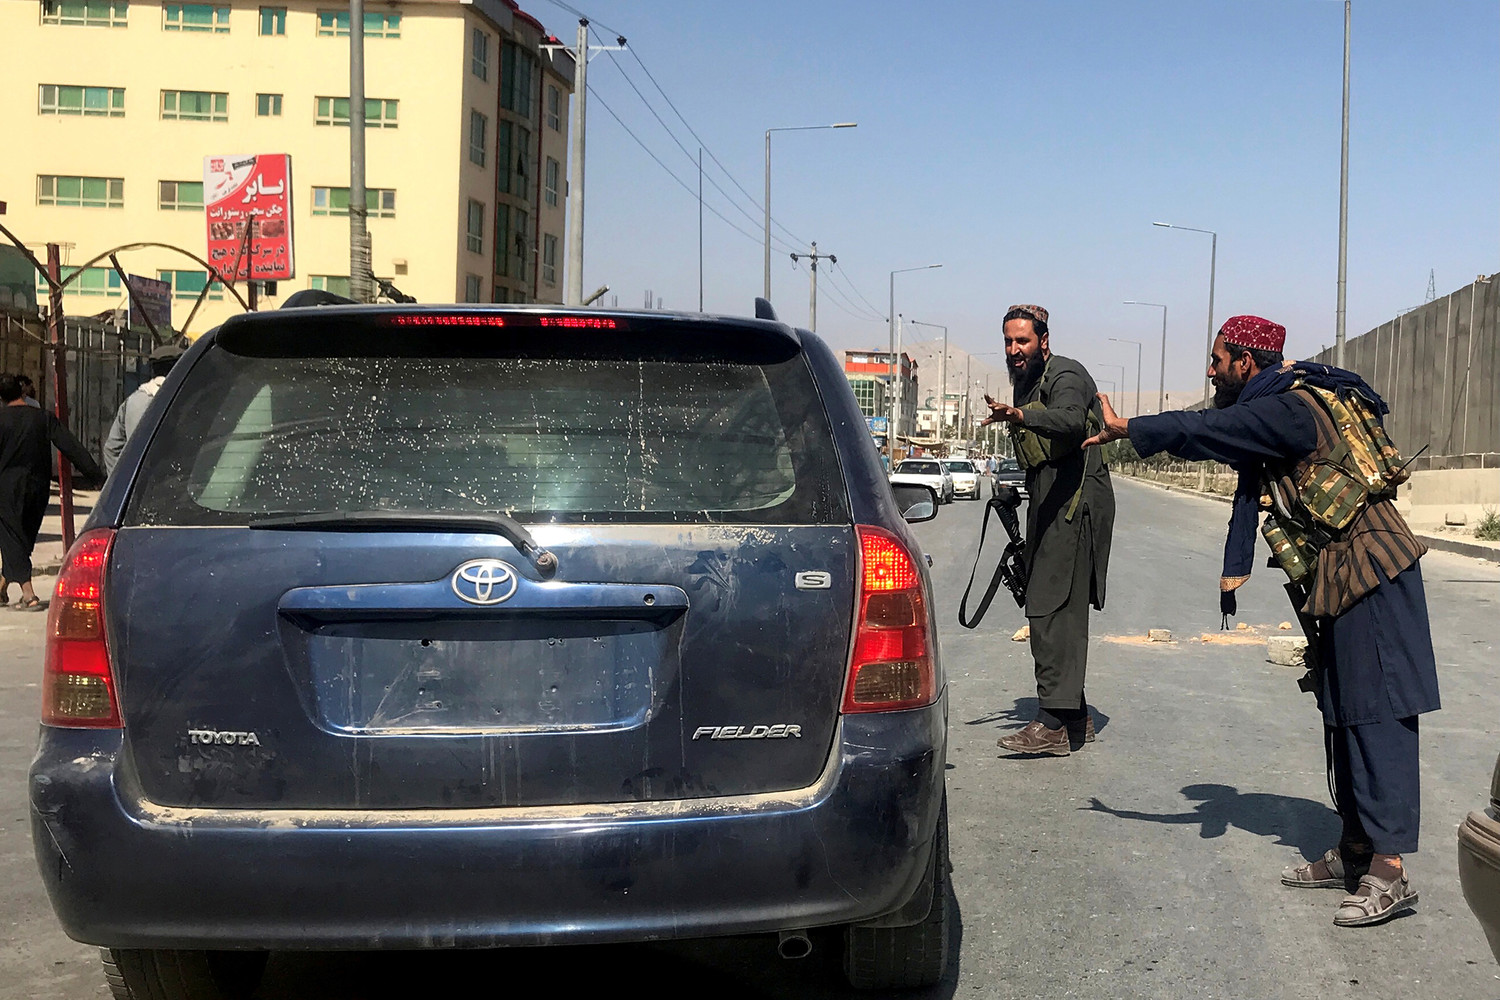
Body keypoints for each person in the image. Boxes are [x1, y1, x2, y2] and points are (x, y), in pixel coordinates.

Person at [1084, 314, 1439, 928]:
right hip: (1341, 573)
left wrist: (1129, 428)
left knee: (1377, 712)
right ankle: (1357, 849)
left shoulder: (1290, 409)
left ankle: (1390, 869)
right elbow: (1220, 435)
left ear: (1246, 361)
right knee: (1343, 710)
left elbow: (1211, 429)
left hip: (1373, 568)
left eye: (1218, 359)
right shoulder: (1277, 405)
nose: (1211, 371)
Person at [980, 304, 1115, 756]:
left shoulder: (1066, 374)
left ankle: (1052, 722)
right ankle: (1074, 717)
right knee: (1048, 601)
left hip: (1076, 501)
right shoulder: (1027, 382)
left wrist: (1021, 417)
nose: (1014, 349)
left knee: (1052, 606)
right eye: (1008, 341)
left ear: (1043, 340)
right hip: (1049, 496)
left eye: (1023, 340)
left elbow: (1072, 420)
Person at [0, 373, 105, 611]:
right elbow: (71, 446)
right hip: (38, 487)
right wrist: (95, 476)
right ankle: (3, 584)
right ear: (21, 391)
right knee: (22, 538)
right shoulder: (43, 418)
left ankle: (29, 595)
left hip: (7, 489)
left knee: (12, 537)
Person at [104, 342, 184, 475]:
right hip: (170, 481)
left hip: (138, 482)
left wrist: (124, 480)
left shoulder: (133, 400)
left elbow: (112, 448)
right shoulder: (181, 398)